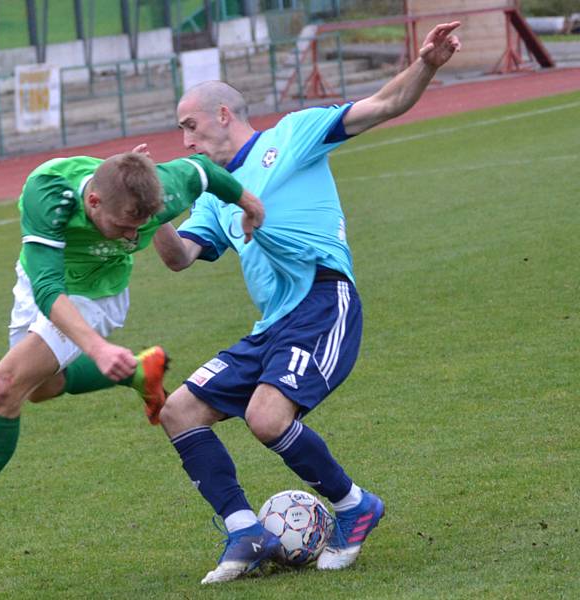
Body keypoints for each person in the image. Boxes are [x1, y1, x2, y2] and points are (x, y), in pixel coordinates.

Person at [151, 22, 462, 584]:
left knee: (265, 417)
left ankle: (354, 506)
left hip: (323, 302)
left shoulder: (291, 134)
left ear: (224, 114)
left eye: (189, 126)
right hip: (273, 325)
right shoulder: (213, 192)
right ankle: (245, 529)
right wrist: (153, 212)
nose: (186, 142)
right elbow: (179, 257)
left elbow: (385, 103)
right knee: (178, 411)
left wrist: (428, 64)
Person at [0, 151, 265, 553]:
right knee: (41, 388)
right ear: (93, 203)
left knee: (4, 387)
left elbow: (205, 171)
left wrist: (250, 205)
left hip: (97, 293)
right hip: (45, 279)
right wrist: (99, 351)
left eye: (139, 228)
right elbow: (49, 289)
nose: (129, 237)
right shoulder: (49, 192)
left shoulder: (163, 188)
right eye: (123, 226)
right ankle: (137, 372)